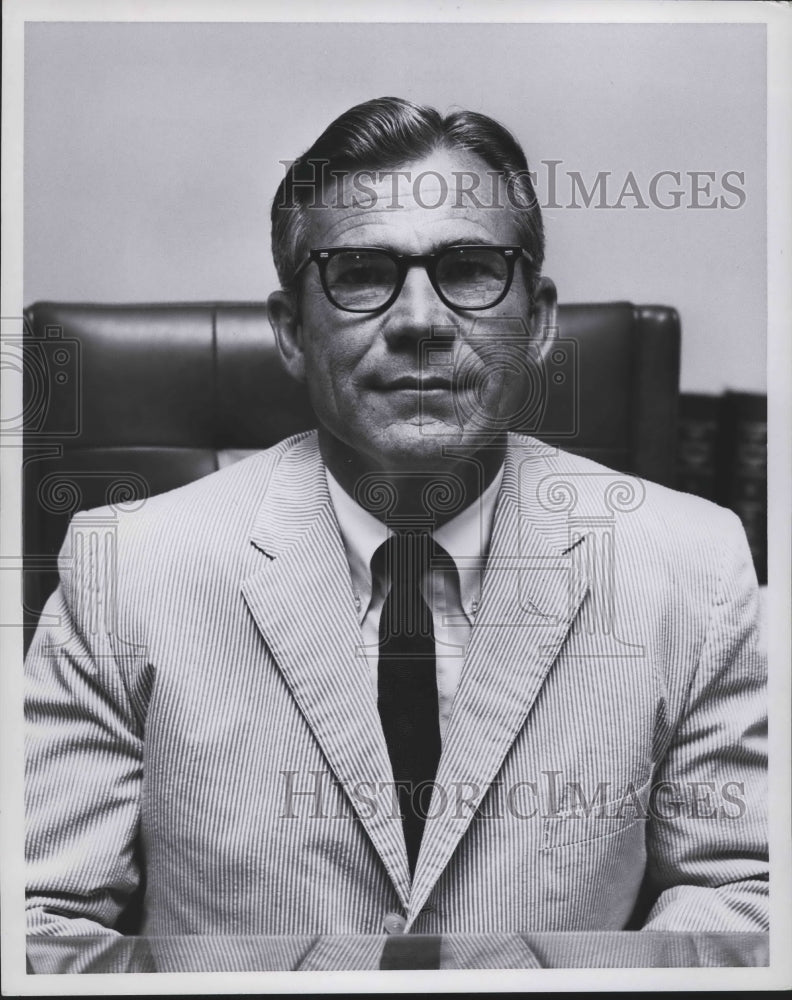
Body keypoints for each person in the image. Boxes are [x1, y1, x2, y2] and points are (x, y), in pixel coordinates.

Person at [25, 97, 767, 942]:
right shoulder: (128, 572)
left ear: (541, 322)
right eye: (363, 272)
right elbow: (37, 920)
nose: (419, 322)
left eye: (471, 267)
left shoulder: (693, 567)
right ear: (292, 331)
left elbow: (745, 888)